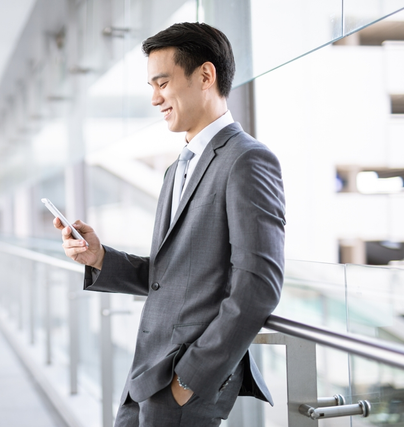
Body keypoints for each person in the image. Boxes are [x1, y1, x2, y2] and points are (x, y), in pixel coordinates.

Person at [55, 22, 285, 427]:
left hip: (183, 382)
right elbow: (173, 276)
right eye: (151, 85)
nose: (155, 98)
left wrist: (188, 380)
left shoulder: (247, 160)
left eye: (162, 83)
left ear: (205, 75)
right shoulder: (177, 168)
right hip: (147, 372)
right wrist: (100, 257)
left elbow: (258, 287)